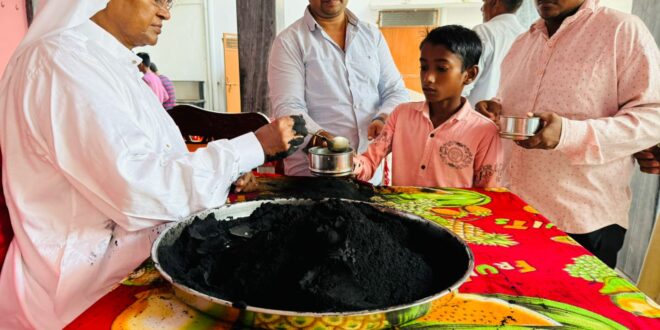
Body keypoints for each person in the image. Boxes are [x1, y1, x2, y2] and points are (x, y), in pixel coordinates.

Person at [0, 0, 306, 328]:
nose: (166, 13)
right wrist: (255, 146)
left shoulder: (109, 65)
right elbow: (140, 190)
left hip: (139, 258)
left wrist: (225, 175)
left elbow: (157, 162)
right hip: (87, 289)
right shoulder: (60, 63)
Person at [476, 0, 660, 267]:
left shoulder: (621, 31)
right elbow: (512, 101)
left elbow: (653, 117)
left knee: (566, 309)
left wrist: (568, 133)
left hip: (581, 223)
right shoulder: (522, 44)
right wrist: (495, 107)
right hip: (514, 214)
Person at [268, 0, 409, 180]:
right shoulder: (290, 41)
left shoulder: (372, 36)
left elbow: (396, 91)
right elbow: (288, 109)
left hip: (368, 175)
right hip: (312, 176)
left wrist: (382, 118)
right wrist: (325, 142)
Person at [353, 25, 502, 188]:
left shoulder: (484, 131)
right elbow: (368, 162)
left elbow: (488, 192)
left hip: (454, 214)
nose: (428, 78)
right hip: (399, 212)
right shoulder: (401, 115)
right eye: (424, 67)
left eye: (441, 69)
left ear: (469, 75)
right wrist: (347, 163)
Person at [462, 0, 525, 106]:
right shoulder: (525, 34)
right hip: (507, 117)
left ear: (495, 3)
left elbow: (464, 82)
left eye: (484, 3)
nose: (481, 9)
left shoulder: (484, 31)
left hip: (477, 116)